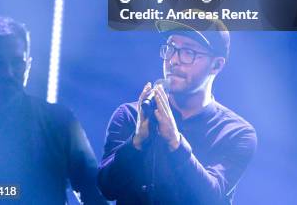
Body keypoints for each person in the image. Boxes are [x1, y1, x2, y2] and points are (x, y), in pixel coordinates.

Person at [98, 18, 257, 204]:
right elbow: (107, 188)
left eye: (188, 52)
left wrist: (175, 142)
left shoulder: (236, 132)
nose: (173, 60)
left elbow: (212, 198)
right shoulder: (131, 115)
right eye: (171, 48)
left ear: (216, 65)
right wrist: (136, 142)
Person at [0, 16, 107, 204]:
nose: (8, 72)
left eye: (17, 62)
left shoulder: (60, 121)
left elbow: (92, 191)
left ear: (28, 65)